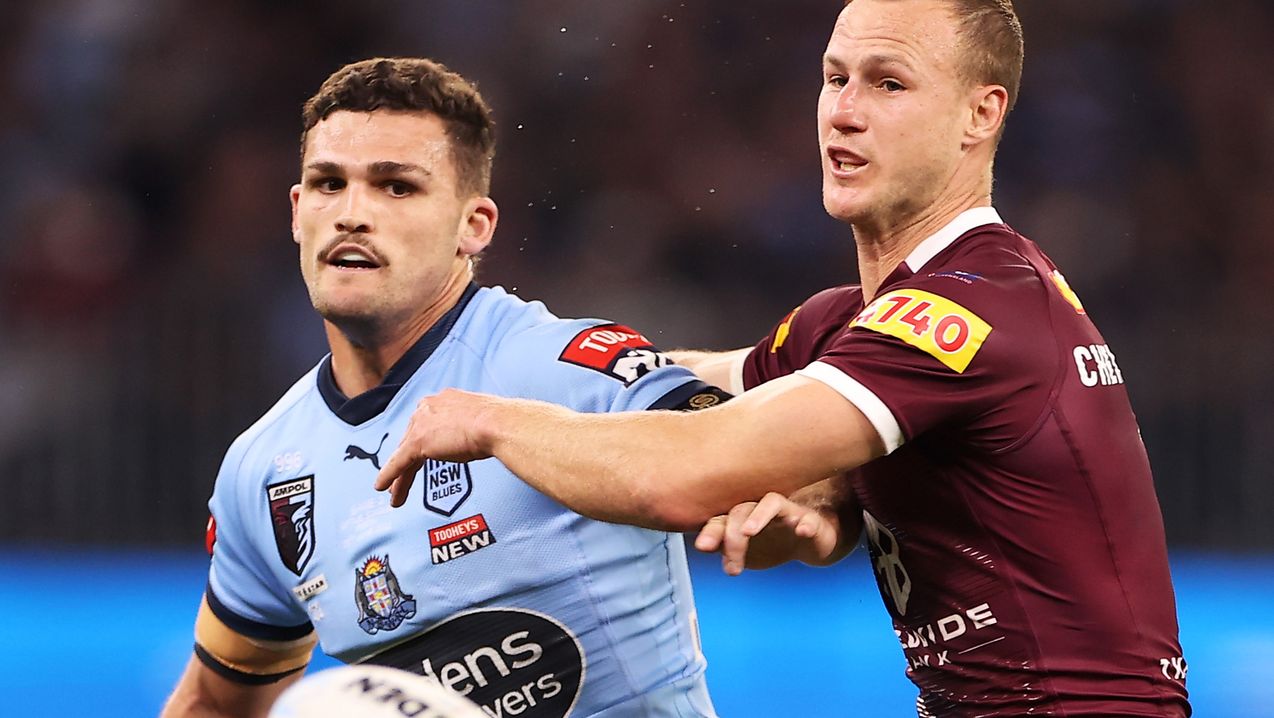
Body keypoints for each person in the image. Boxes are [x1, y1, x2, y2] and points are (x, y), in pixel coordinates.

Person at [374, 2, 1193, 715]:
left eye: (889, 84)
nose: (843, 112)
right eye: (835, 78)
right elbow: (662, 382)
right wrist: (475, 351)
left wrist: (490, 418)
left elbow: (689, 469)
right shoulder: (851, 325)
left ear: (981, 114)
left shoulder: (973, 306)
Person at [161, 57, 725, 718]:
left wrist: (796, 497)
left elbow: (743, 453)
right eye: (328, 184)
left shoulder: (562, 365)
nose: (351, 214)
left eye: (395, 187)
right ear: (295, 211)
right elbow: (216, 701)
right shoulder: (262, 471)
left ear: (474, 226)